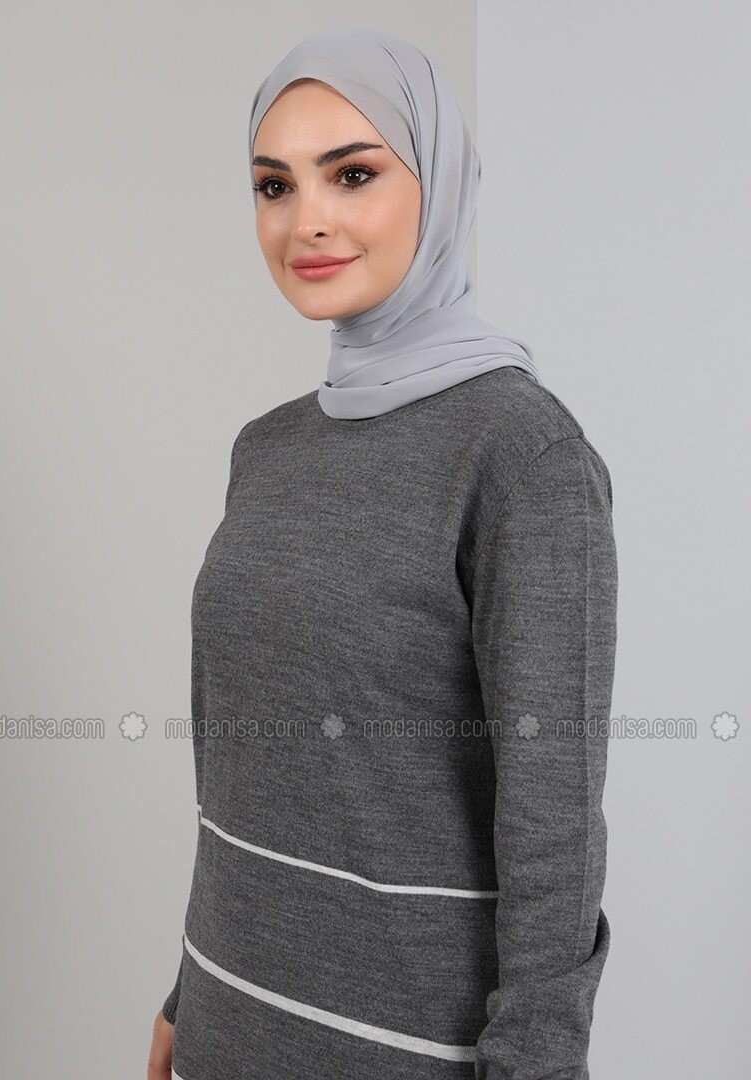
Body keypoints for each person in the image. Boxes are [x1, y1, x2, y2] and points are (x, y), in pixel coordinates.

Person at [147, 27, 617, 1080]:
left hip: (402, 1048)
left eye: (352, 174)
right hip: (227, 1019)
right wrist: (187, 988)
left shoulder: (519, 452)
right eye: (274, 186)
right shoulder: (266, 448)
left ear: (436, 186)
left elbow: (552, 818)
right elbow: (242, 766)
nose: (306, 219)